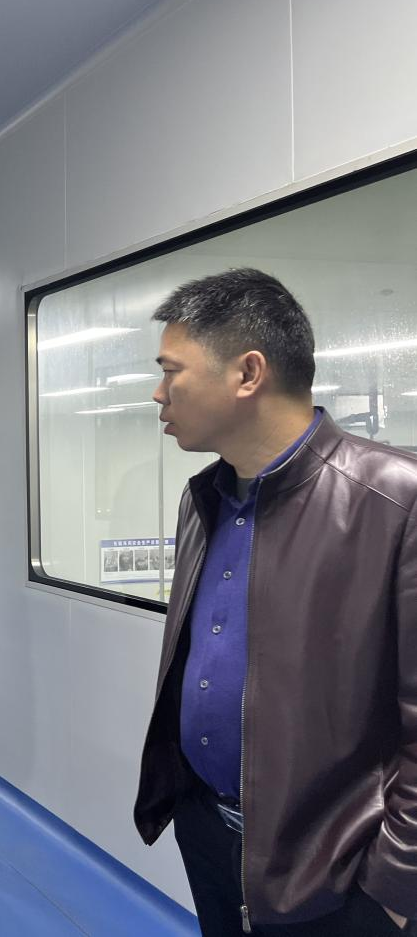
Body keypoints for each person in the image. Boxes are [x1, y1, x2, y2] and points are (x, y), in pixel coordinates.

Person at [132, 268, 416, 936]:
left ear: (248, 372)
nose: (158, 393)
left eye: (172, 371)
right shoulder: (202, 500)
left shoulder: (395, 501)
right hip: (209, 833)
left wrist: (393, 888)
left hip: (338, 875)